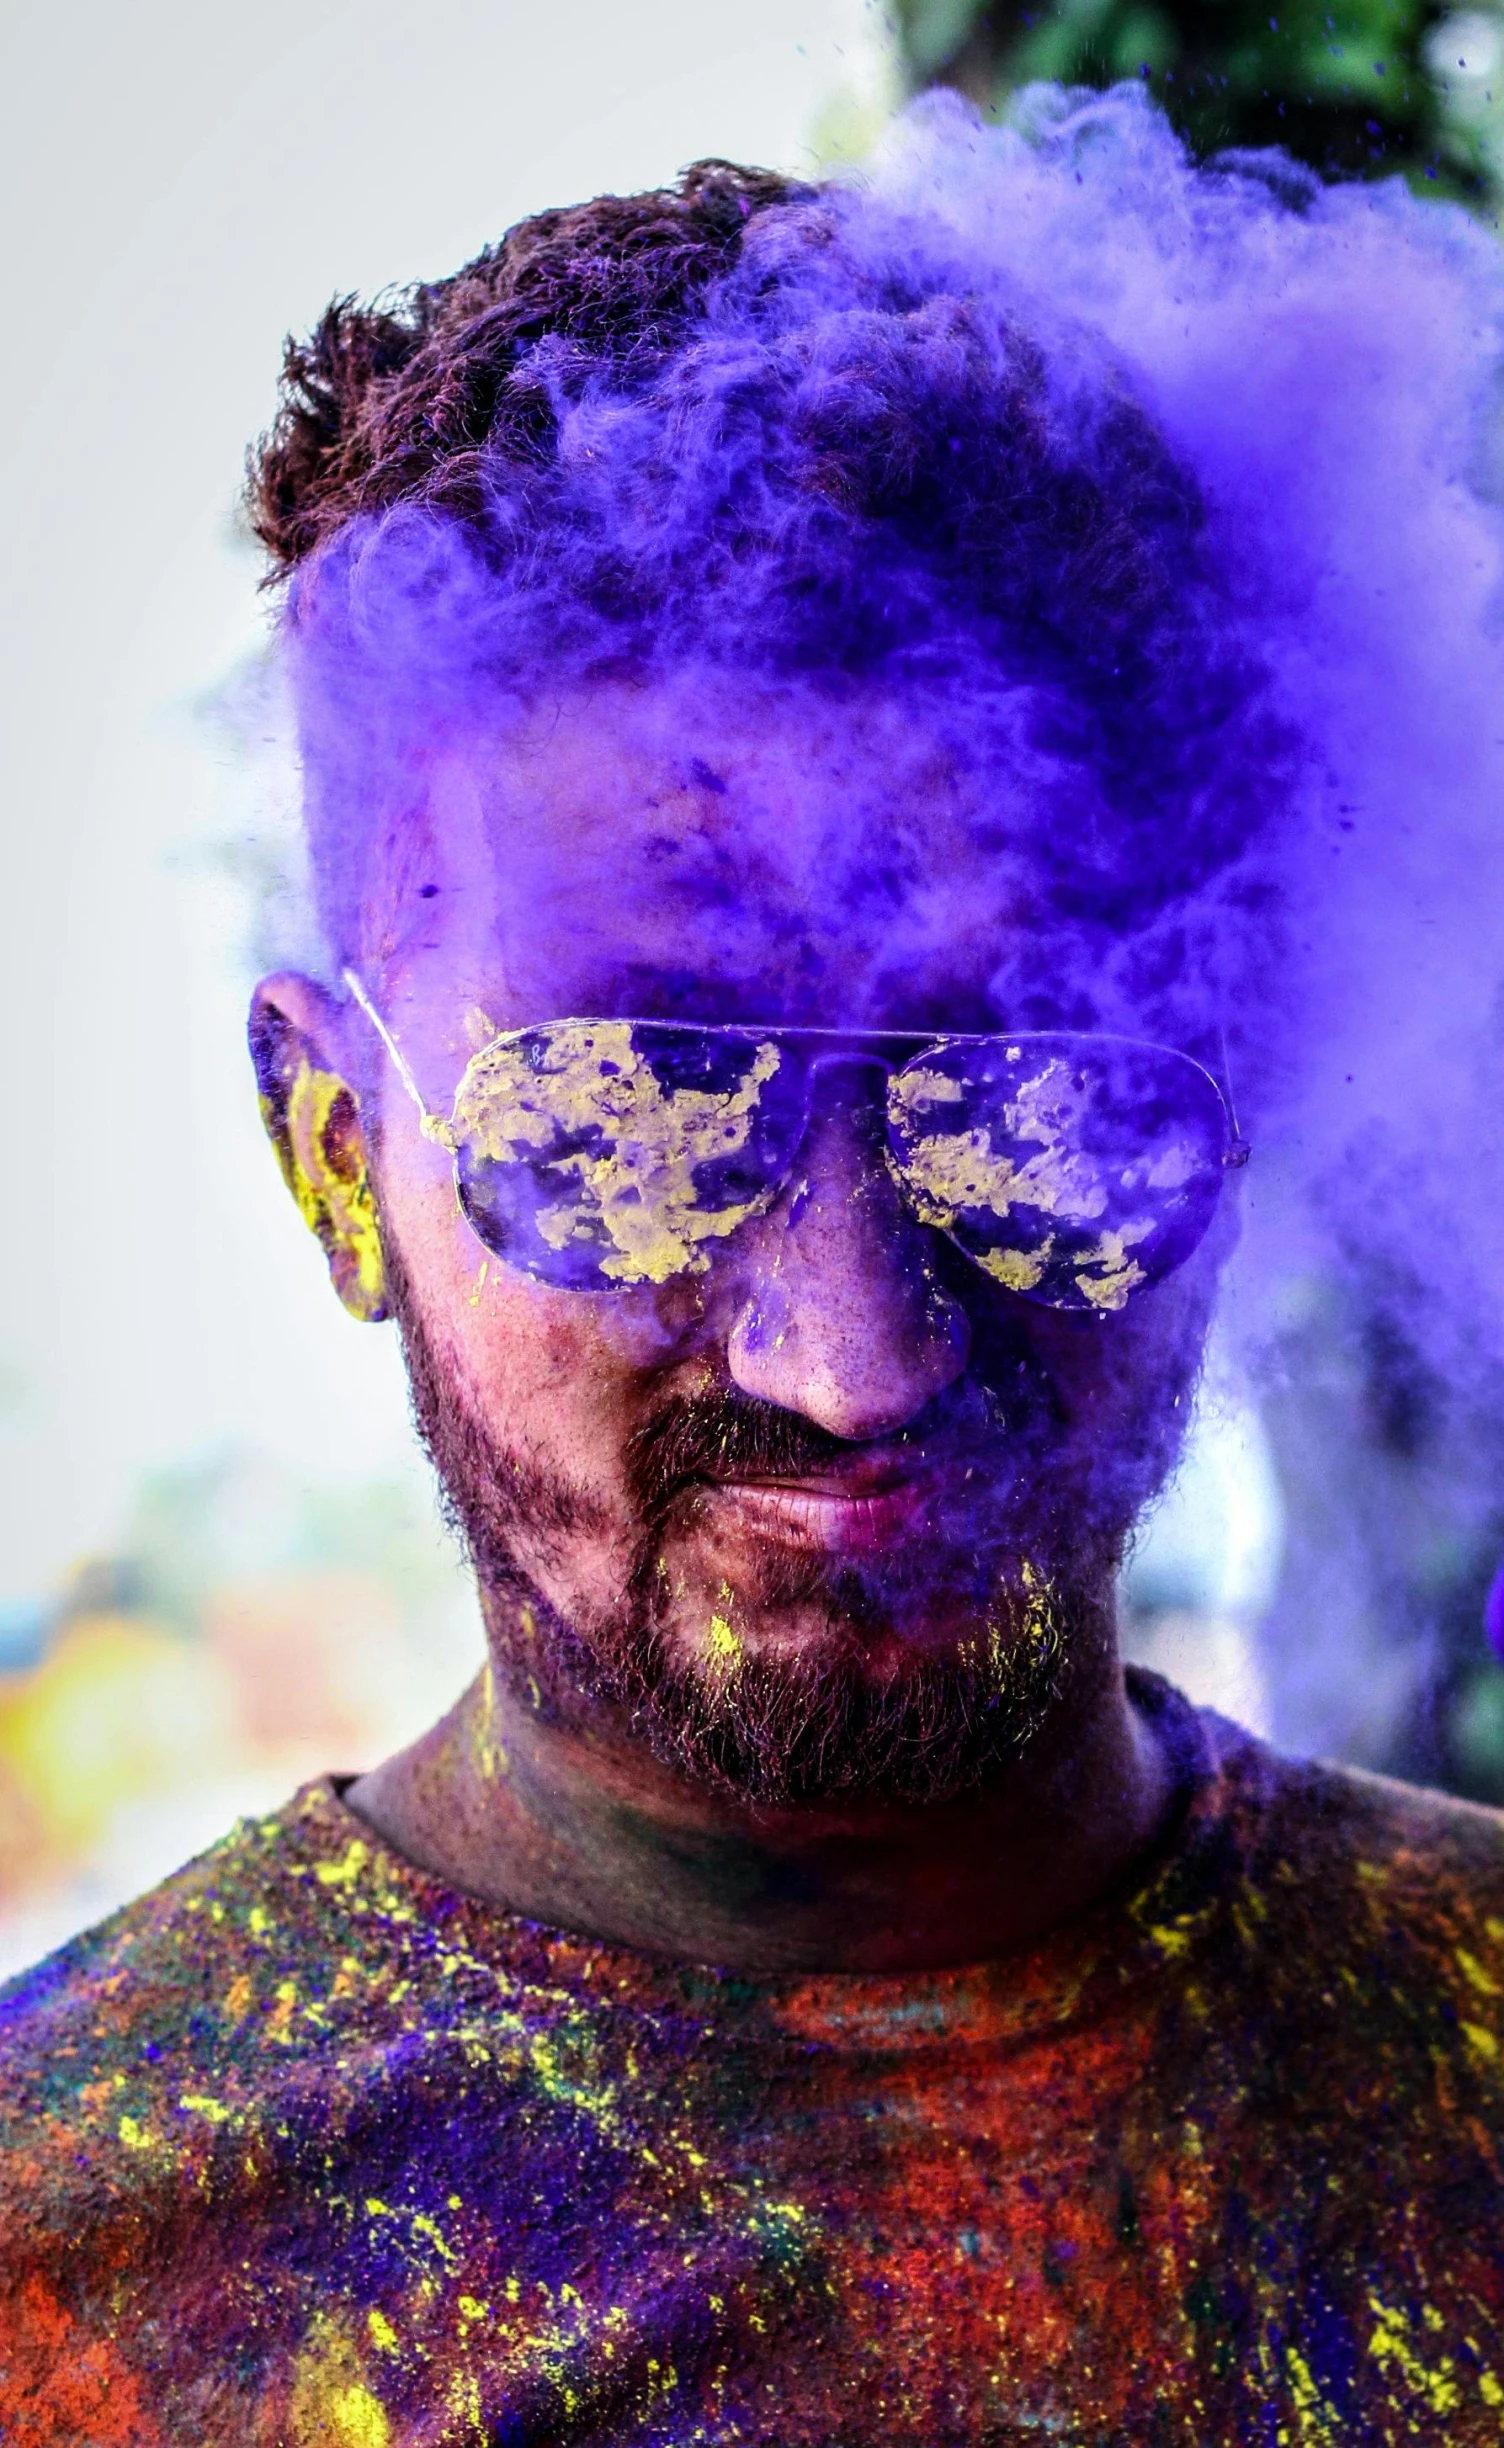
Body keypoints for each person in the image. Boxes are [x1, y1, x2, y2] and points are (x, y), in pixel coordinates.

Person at [3, 102, 1502, 2447]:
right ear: (328, 1150)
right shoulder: (66, 2267)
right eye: (628, 1109)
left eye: (1027, 1085)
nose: (857, 1355)